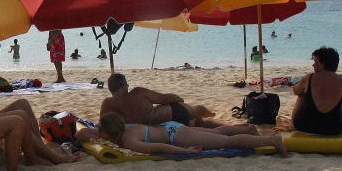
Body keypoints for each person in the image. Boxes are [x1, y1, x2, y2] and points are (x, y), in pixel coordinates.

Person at [84, 112, 287, 157]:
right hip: (170, 127)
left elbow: (160, 148)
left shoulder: (130, 140)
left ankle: (271, 140)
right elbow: (82, 134)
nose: (99, 135)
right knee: (212, 132)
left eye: (102, 132)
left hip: (175, 138)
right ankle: (246, 128)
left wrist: (185, 150)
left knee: (223, 141)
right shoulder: (126, 126)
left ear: (110, 133)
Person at [101, 73, 249, 133]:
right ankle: (232, 126)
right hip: (175, 113)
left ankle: (231, 127)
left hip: (162, 127)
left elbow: (102, 126)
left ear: (110, 89)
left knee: (198, 123)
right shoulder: (138, 93)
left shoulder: (107, 105)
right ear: (125, 85)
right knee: (197, 115)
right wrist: (179, 99)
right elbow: (166, 98)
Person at [290, 46, 342, 135]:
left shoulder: (310, 78)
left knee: (301, 94)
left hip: (304, 125)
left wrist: (300, 84)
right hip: (333, 128)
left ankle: (295, 118)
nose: (313, 65)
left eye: (315, 62)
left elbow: (295, 90)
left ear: (323, 64)